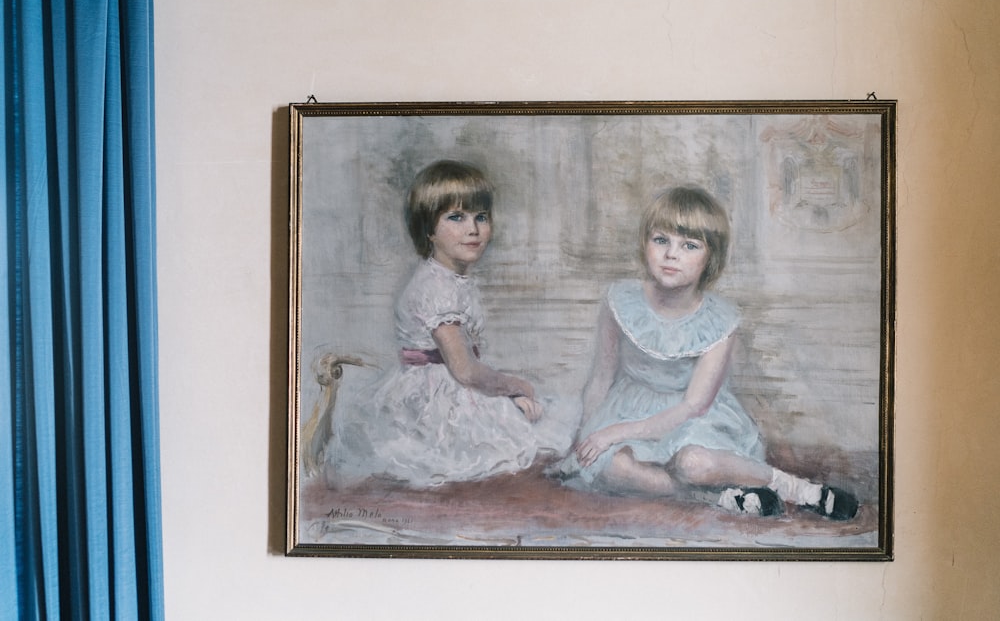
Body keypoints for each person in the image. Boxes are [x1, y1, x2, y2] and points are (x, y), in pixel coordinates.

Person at [553, 185, 858, 520]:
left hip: (692, 420)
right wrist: (588, 434)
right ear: (645, 244)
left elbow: (693, 405)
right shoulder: (620, 301)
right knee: (611, 469)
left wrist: (616, 433)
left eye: (689, 245)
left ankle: (799, 490)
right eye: (661, 240)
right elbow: (601, 376)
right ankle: (719, 498)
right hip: (630, 409)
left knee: (692, 463)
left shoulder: (720, 320)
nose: (671, 254)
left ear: (710, 257)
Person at [324, 160, 574, 488]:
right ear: (428, 229)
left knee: (540, 415)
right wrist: (514, 386)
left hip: (453, 386)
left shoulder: (450, 281)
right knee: (532, 427)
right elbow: (466, 371)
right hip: (436, 401)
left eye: (481, 217)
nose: (473, 229)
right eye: (456, 217)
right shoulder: (436, 288)